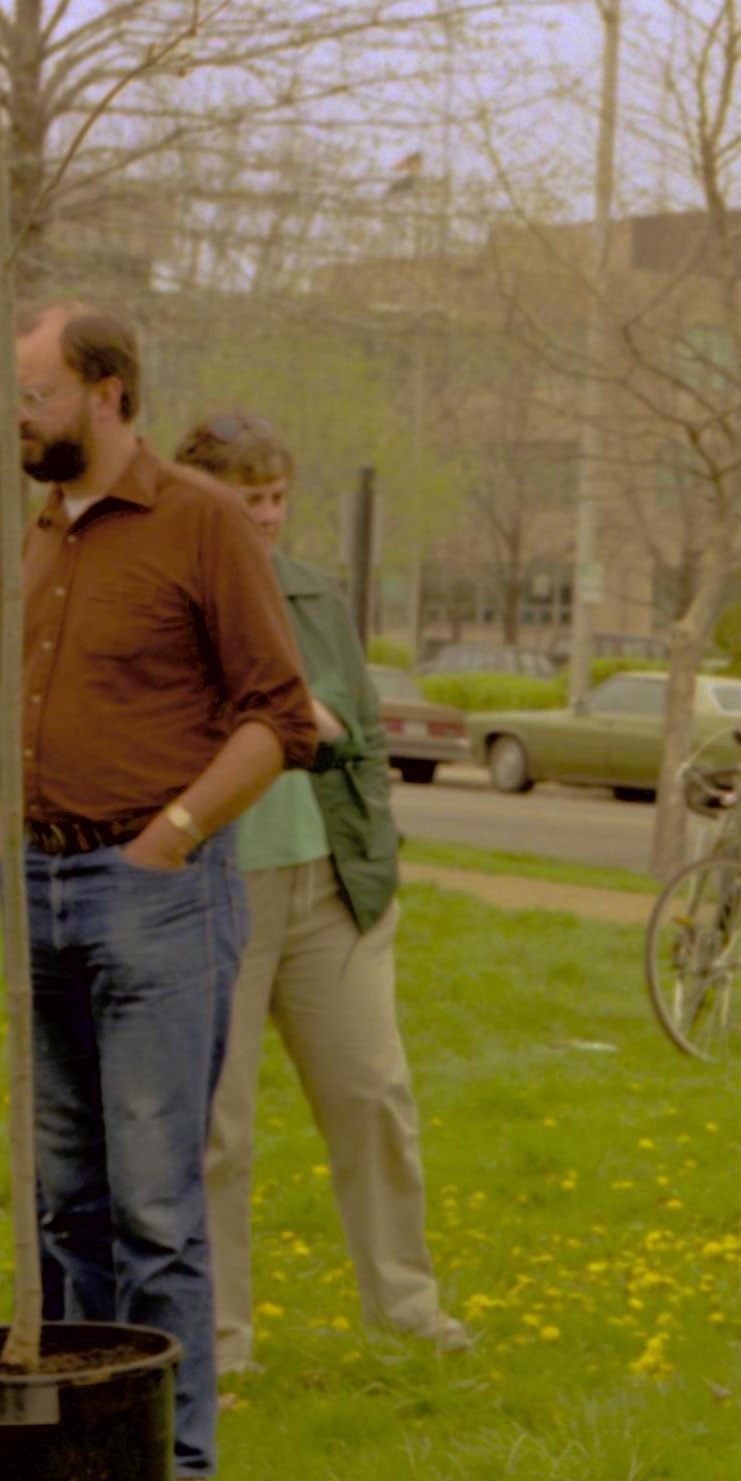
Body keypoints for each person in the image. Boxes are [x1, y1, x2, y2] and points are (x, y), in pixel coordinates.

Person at [2, 305, 321, 1481]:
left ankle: (176, 1463)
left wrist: (169, 838)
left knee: (153, 1201)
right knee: (64, 1193)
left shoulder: (200, 521)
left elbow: (280, 718)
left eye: (36, 394)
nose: (20, 416)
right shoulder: (37, 531)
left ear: (108, 393)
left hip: (157, 901)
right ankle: (88, 1434)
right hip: (35, 890)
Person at [176, 412, 468, 1375]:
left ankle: (409, 1312)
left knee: (374, 1098)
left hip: (332, 884)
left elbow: (343, 724)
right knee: (217, 1127)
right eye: (244, 498)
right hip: (214, 885)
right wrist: (286, 715)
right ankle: (219, 1344)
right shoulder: (168, 591)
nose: (266, 516)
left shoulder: (311, 593)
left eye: (275, 497)